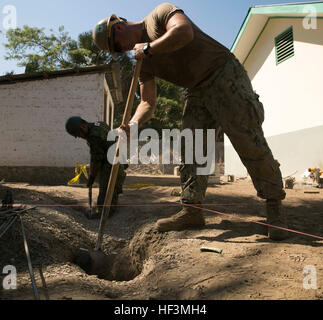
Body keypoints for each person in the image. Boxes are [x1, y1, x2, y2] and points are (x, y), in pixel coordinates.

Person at [92, 3, 289, 240]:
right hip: (196, 90)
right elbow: (147, 102)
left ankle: (275, 210)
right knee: (192, 147)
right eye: (115, 50)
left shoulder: (159, 15)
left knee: (248, 140)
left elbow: (184, 32)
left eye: (115, 44)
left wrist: (149, 47)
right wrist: (133, 124)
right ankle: (192, 211)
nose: (120, 49)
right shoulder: (142, 62)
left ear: (118, 24)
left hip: (223, 73)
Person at [65, 116, 127, 218]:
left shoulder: (93, 136)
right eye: (77, 135)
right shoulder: (100, 124)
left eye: (79, 133)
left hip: (111, 164)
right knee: (112, 188)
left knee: (106, 188)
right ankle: (109, 209)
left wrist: (92, 177)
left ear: (83, 125)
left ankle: (104, 213)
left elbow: (96, 159)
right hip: (118, 159)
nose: (80, 136)